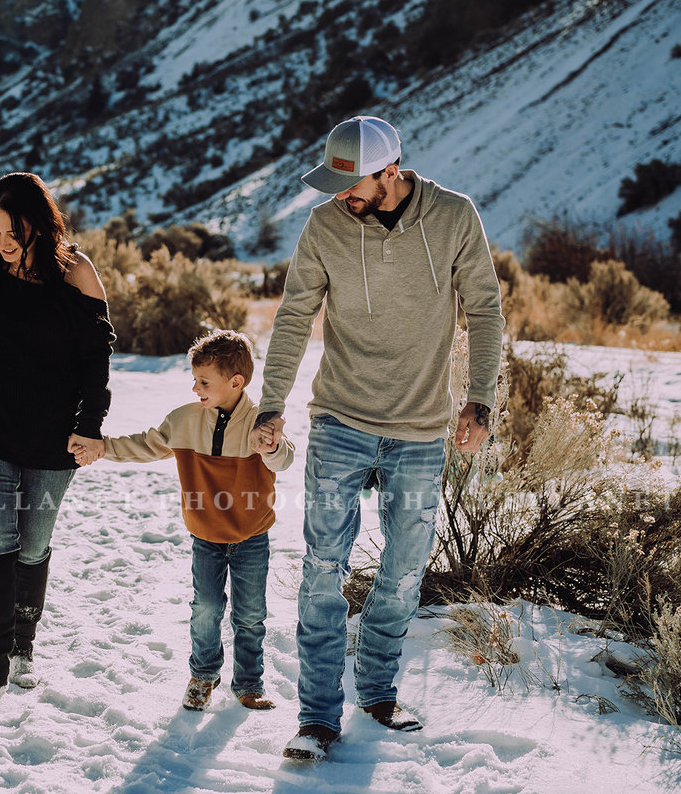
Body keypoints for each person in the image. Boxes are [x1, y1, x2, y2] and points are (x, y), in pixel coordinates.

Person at [249, 116, 505, 760]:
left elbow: (483, 308)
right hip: (340, 420)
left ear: (391, 170)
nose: (339, 196)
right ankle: (315, 718)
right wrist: (271, 405)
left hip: (420, 429)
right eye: (331, 184)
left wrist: (479, 399)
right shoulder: (325, 225)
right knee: (322, 572)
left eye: (351, 183)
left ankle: (380, 690)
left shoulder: (453, 217)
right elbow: (294, 316)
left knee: (402, 572)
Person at [0, 172, 115, 709]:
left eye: (13, 232)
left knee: (33, 545)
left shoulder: (76, 273)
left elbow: (96, 360)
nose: (3, 242)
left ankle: (23, 648)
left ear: (41, 224)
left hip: (52, 436)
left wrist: (90, 424)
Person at [79, 330, 296, 712]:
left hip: (251, 537)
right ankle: (203, 674)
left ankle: (249, 683)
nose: (194, 386)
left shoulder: (261, 423)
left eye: (203, 381)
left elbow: (285, 458)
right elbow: (146, 444)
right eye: (194, 378)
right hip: (206, 536)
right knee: (206, 608)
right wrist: (102, 447)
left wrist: (273, 445)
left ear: (235, 382)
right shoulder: (184, 420)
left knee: (250, 615)